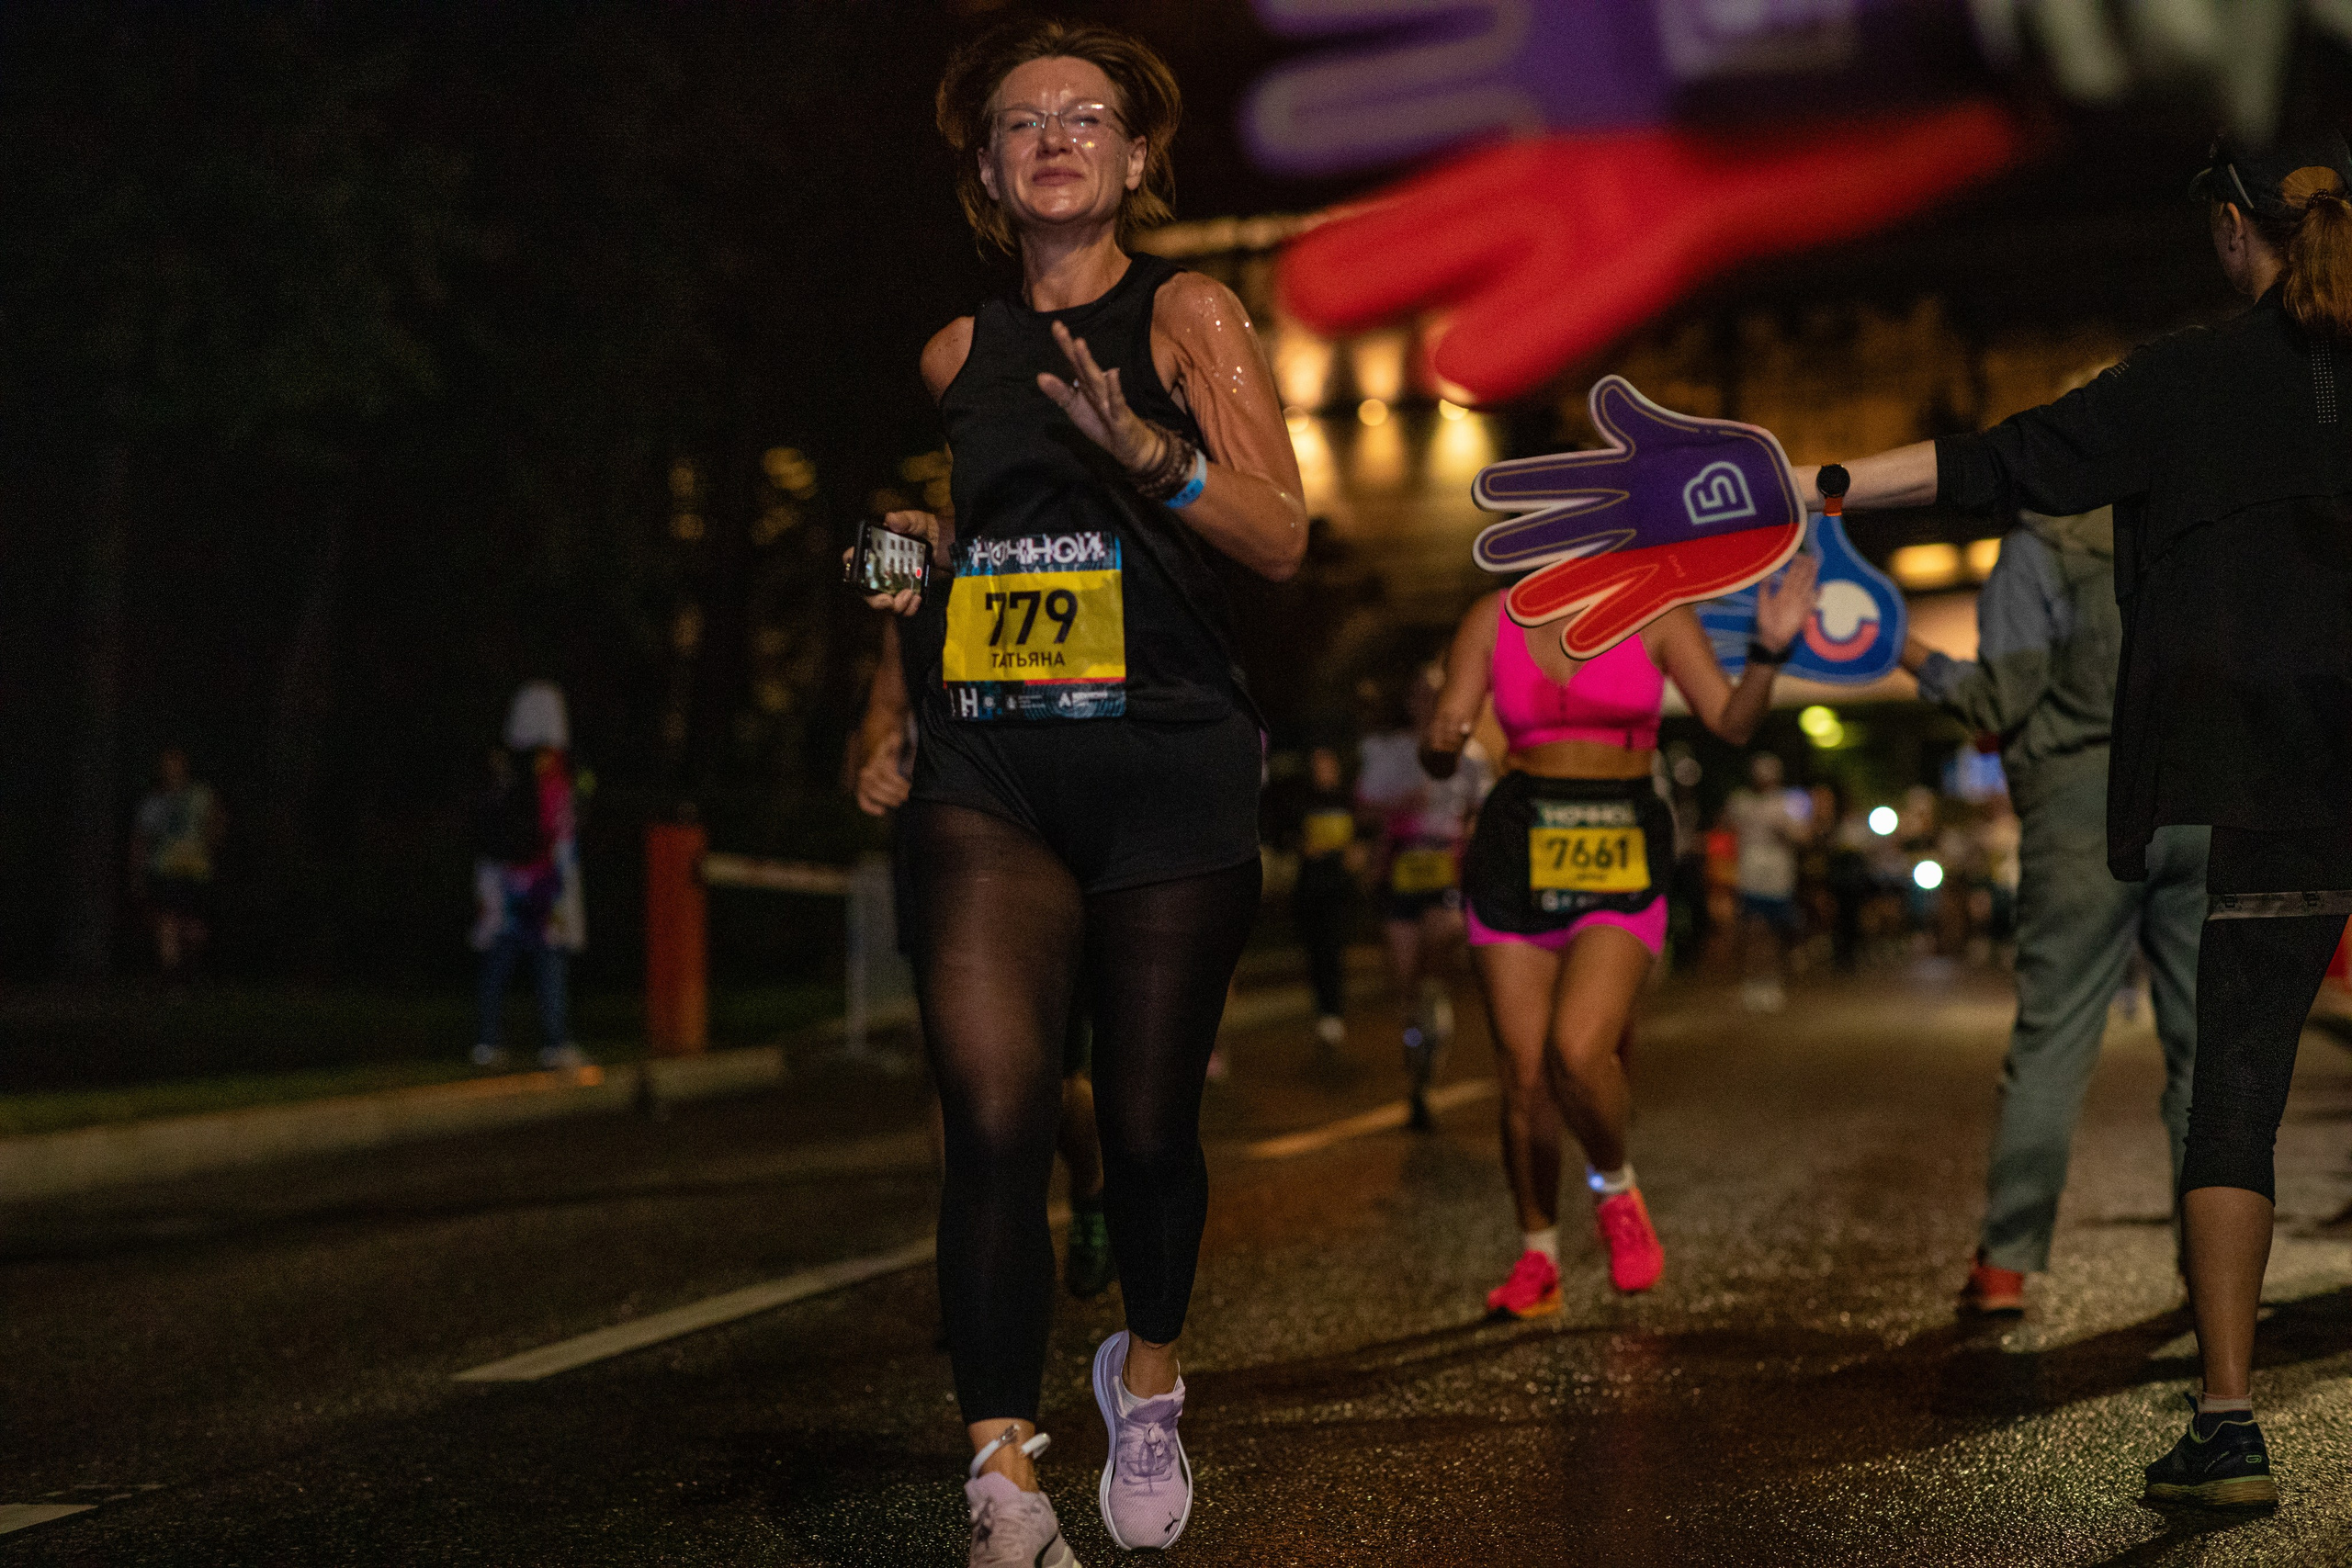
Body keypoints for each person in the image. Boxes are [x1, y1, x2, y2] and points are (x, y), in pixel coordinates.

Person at [1792, 130, 2352, 1507]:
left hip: (2271, 785)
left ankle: (2228, 1422)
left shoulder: (2187, 382)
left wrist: (1818, 485)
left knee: (2233, 1099)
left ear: (2236, 230)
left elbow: (1999, 463)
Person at [862, 22, 1306, 1562]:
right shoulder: (952, 355)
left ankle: (1150, 1375)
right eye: (1020, 121)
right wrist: (884, 700)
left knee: (1145, 1129)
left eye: (1087, 116)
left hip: (1169, 769)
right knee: (989, 1113)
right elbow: (933, 544)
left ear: (1132, 157)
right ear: (985, 170)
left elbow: (1279, 536)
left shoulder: (1187, 311)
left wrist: (1147, 450)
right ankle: (999, 1472)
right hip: (991, 765)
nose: (1055, 135)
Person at [1425, 554, 1818, 1316]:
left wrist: (1770, 650)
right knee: (1526, 1079)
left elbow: (1731, 721)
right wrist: (1441, 739)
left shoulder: (1659, 610)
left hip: (1620, 838)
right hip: (1518, 839)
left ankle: (1615, 1184)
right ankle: (1537, 1254)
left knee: (1578, 1050)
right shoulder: (1495, 613)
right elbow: (1444, 748)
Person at [1900, 507, 2207, 1319]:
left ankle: (2007, 1261)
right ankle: (2211, 1263)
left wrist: (1905, 650)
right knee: (2205, 1054)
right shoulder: (2194, 530)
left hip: (2085, 810)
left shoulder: (2041, 546)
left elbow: (2000, 698)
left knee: (2055, 1039)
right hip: (2199, 799)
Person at [853, 618, 1115, 1303]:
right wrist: (876, 755)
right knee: (953, 1072)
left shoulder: (1066, 545)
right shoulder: (928, 576)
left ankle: (1092, 1184)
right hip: (942, 844)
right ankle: (975, 1274)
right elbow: (887, 699)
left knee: (1053, 1082)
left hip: (1046, 844)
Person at [1356, 671, 1489, 1127]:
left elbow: (1482, 812)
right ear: (1410, 701)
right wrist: (1400, 807)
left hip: (1445, 868)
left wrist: (1469, 838)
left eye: (1438, 693)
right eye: (1421, 694)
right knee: (1406, 977)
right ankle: (1419, 1071)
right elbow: (1363, 805)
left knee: (1440, 949)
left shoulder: (1471, 758)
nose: (1430, 701)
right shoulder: (1390, 750)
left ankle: (1435, 1024)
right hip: (1401, 867)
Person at [470, 681, 587, 1070]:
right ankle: (555, 1041)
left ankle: (487, 1041)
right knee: (549, 962)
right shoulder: (554, 777)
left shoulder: (501, 772)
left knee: (500, 961)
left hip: (505, 883)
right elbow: (561, 836)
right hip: (542, 885)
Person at [1723, 751, 1812, 1011]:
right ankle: (1751, 982)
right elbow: (1727, 828)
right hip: (1750, 874)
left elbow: (1804, 837)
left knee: (1775, 932)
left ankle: (1772, 982)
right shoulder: (1742, 802)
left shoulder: (1788, 803)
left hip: (1778, 876)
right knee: (1753, 930)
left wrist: (1787, 828)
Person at [1285, 743, 1360, 1054]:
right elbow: (1288, 838)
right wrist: (1303, 846)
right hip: (1311, 889)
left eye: (1328, 764)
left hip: (1339, 890)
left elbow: (1361, 840)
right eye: (1318, 765)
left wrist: (1357, 855)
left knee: (1333, 949)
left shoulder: (1348, 800)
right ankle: (1323, 1012)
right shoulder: (1302, 803)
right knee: (1316, 951)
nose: (1323, 771)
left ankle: (1334, 1013)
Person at [130, 747, 225, 982]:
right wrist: (137, 872)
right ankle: (172, 978)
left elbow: (217, 824)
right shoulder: (154, 800)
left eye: (175, 764)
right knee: (167, 922)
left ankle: (190, 972)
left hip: (196, 869)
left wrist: (213, 842)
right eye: (166, 765)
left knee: (195, 929)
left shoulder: (201, 795)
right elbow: (141, 838)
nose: (171, 769)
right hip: (165, 868)